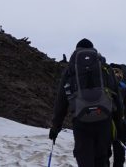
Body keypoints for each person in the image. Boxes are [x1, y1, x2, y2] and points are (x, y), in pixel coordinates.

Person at [49, 39, 121, 167]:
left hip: (81, 120)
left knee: (84, 158)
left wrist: (55, 127)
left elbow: (61, 101)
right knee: (102, 158)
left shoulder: (70, 70)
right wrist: (118, 119)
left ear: (76, 50)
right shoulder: (105, 68)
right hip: (104, 119)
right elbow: (117, 96)